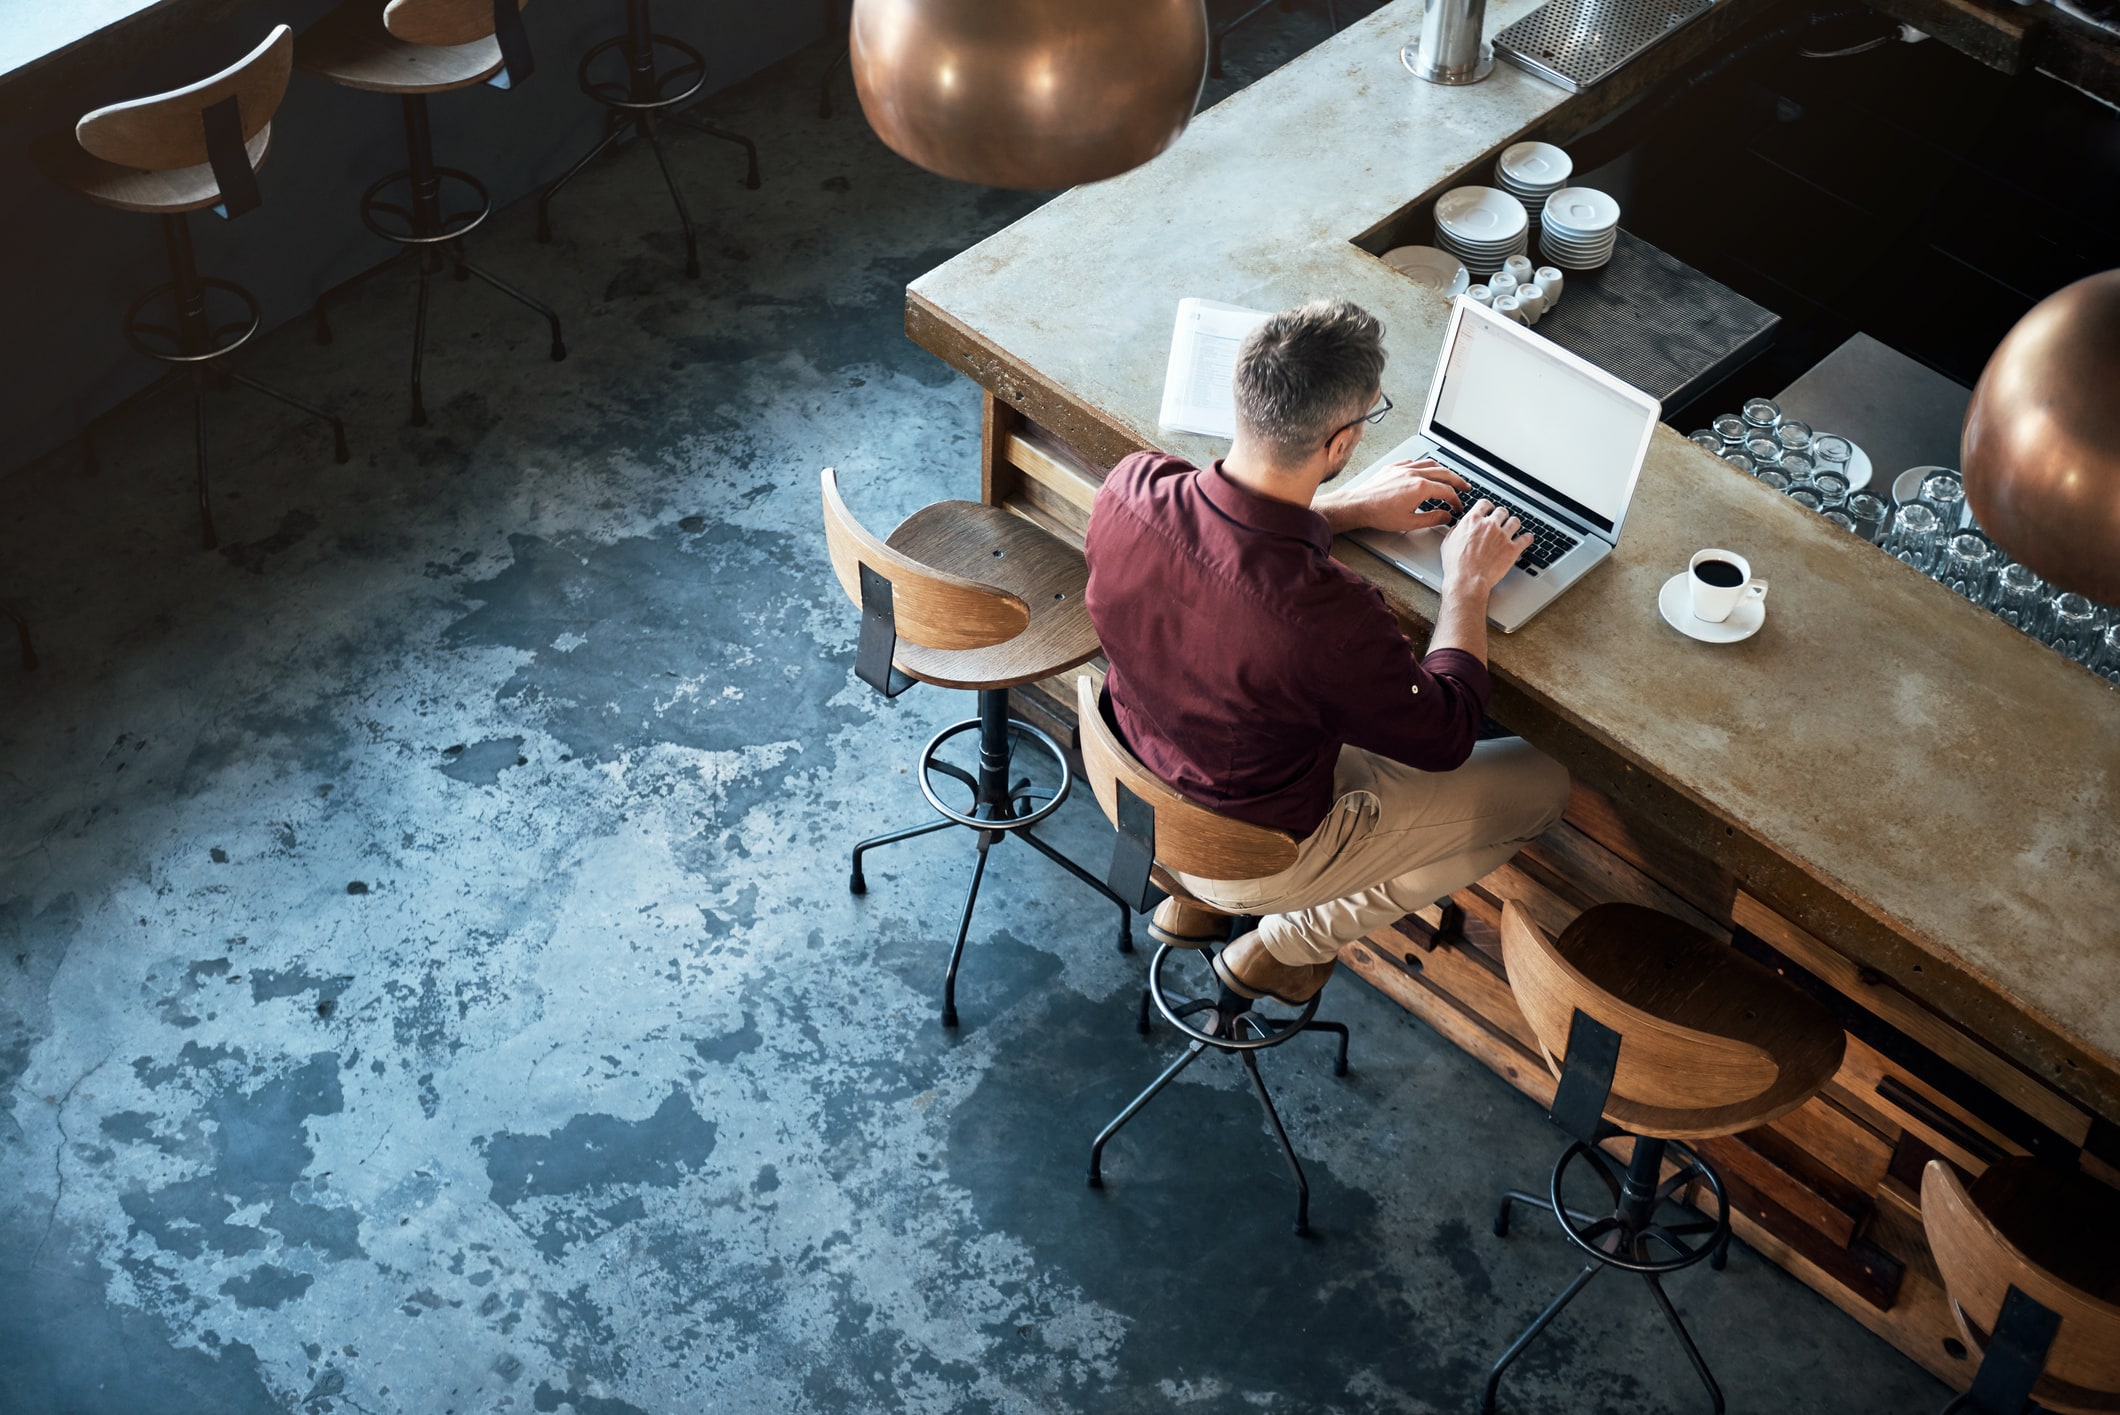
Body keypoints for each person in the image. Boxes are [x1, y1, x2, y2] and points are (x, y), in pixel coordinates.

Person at [1083, 298, 1570, 1005]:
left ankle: (1198, 886)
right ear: (1341, 444)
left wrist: (1346, 511)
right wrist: (1466, 584)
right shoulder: (1329, 618)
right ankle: (1287, 940)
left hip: (1140, 780)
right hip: (1261, 845)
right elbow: (1447, 733)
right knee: (1545, 785)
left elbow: (1228, 558)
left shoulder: (1131, 489)